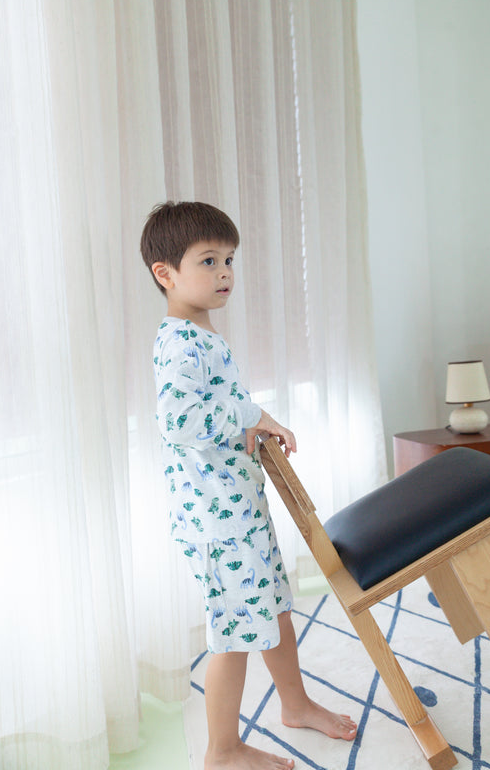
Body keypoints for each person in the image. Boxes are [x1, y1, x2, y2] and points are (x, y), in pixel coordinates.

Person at [140, 201, 357, 770]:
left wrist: (254, 421)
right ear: (166, 273)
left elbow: (222, 409)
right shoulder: (180, 342)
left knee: (276, 608)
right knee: (234, 635)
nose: (225, 273)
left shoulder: (201, 335)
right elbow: (177, 422)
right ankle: (222, 749)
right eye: (208, 260)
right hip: (217, 522)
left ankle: (295, 704)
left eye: (229, 260)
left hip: (238, 507)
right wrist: (250, 415)